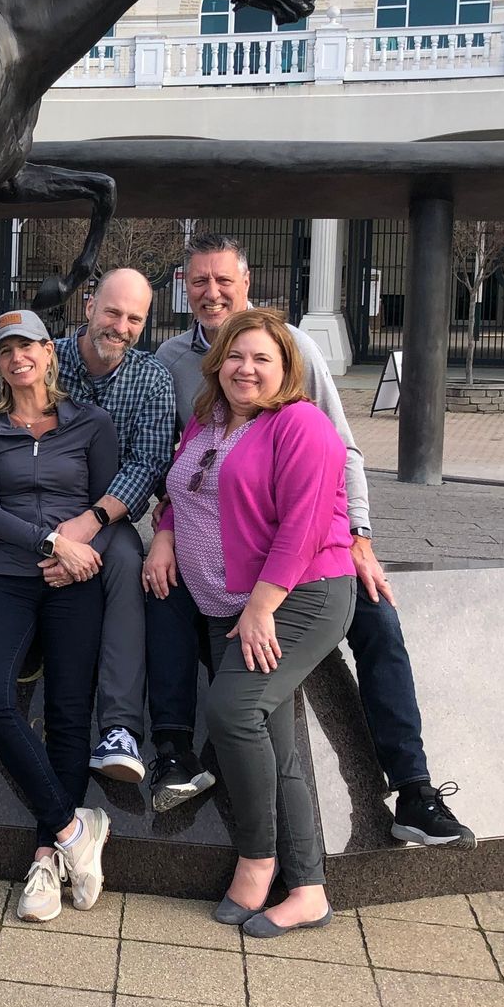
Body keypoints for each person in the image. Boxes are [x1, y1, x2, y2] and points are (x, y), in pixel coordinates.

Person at [152, 234, 474, 846]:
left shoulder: (289, 345)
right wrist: (165, 529)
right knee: (161, 591)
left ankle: (413, 788)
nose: (211, 292)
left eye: (223, 280)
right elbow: (186, 461)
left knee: (376, 618)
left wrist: (358, 535)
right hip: (222, 541)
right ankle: (173, 752)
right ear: (184, 288)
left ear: (246, 283)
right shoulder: (170, 359)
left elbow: (339, 448)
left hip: (302, 539)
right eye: (199, 281)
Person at [0, 270, 176, 804]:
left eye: (134, 318)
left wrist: (88, 526)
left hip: (103, 512)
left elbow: (146, 464)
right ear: (89, 307)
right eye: (112, 312)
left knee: (124, 561)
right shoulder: (45, 359)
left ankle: (119, 725)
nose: (120, 326)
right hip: (13, 522)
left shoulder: (151, 379)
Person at [145, 308, 356, 937]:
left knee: (233, 712)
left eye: (263, 358)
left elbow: (305, 526)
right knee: (273, 739)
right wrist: (164, 535)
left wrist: (263, 607)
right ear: (218, 363)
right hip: (227, 602)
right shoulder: (207, 420)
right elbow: (183, 492)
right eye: (236, 356)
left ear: (286, 367)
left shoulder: (302, 425)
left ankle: (257, 861)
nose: (246, 369)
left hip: (299, 596)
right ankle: (309, 888)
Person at [0, 308, 118, 923]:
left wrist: (78, 557)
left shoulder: (91, 423)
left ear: (50, 352)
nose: (18, 357)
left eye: (28, 346)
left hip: (76, 581)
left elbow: (109, 506)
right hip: (11, 576)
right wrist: (53, 544)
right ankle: (75, 830)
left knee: (69, 712)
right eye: (5, 350)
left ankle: (47, 859)